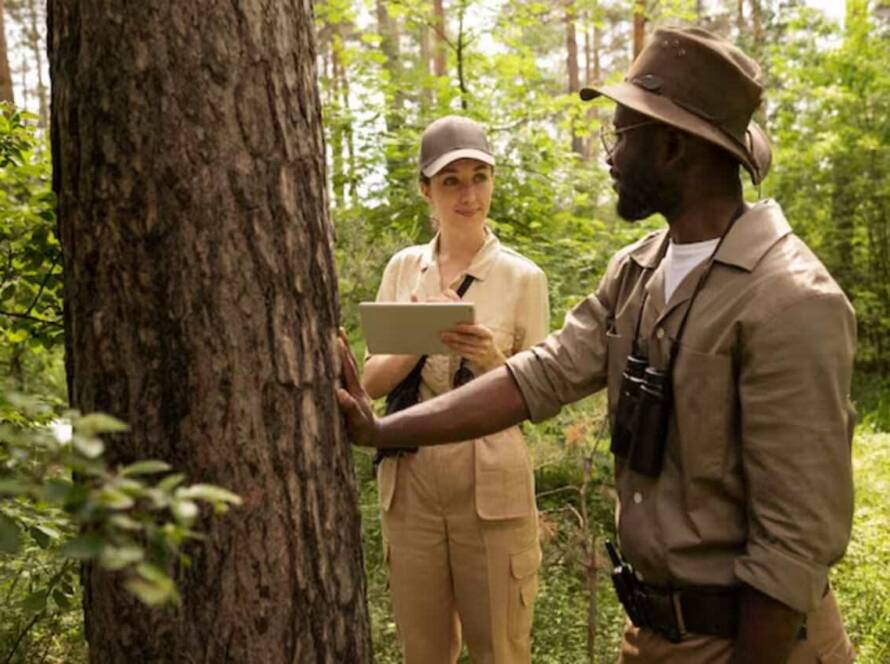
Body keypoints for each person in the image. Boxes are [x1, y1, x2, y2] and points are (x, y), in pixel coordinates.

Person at [338, 28, 857, 664]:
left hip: (758, 644)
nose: (608, 155)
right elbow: (540, 376)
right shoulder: (637, 272)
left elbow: (794, 542)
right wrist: (378, 431)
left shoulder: (790, 301)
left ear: (672, 147)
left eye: (621, 135)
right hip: (657, 635)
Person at [360, 115, 550, 664]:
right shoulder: (404, 269)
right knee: (423, 650)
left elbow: (540, 399)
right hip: (411, 478)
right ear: (426, 190)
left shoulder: (523, 278)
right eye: (451, 181)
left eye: (479, 177)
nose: (469, 195)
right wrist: (419, 340)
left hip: (491, 481)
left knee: (501, 649)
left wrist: (491, 359)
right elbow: (371, 384)